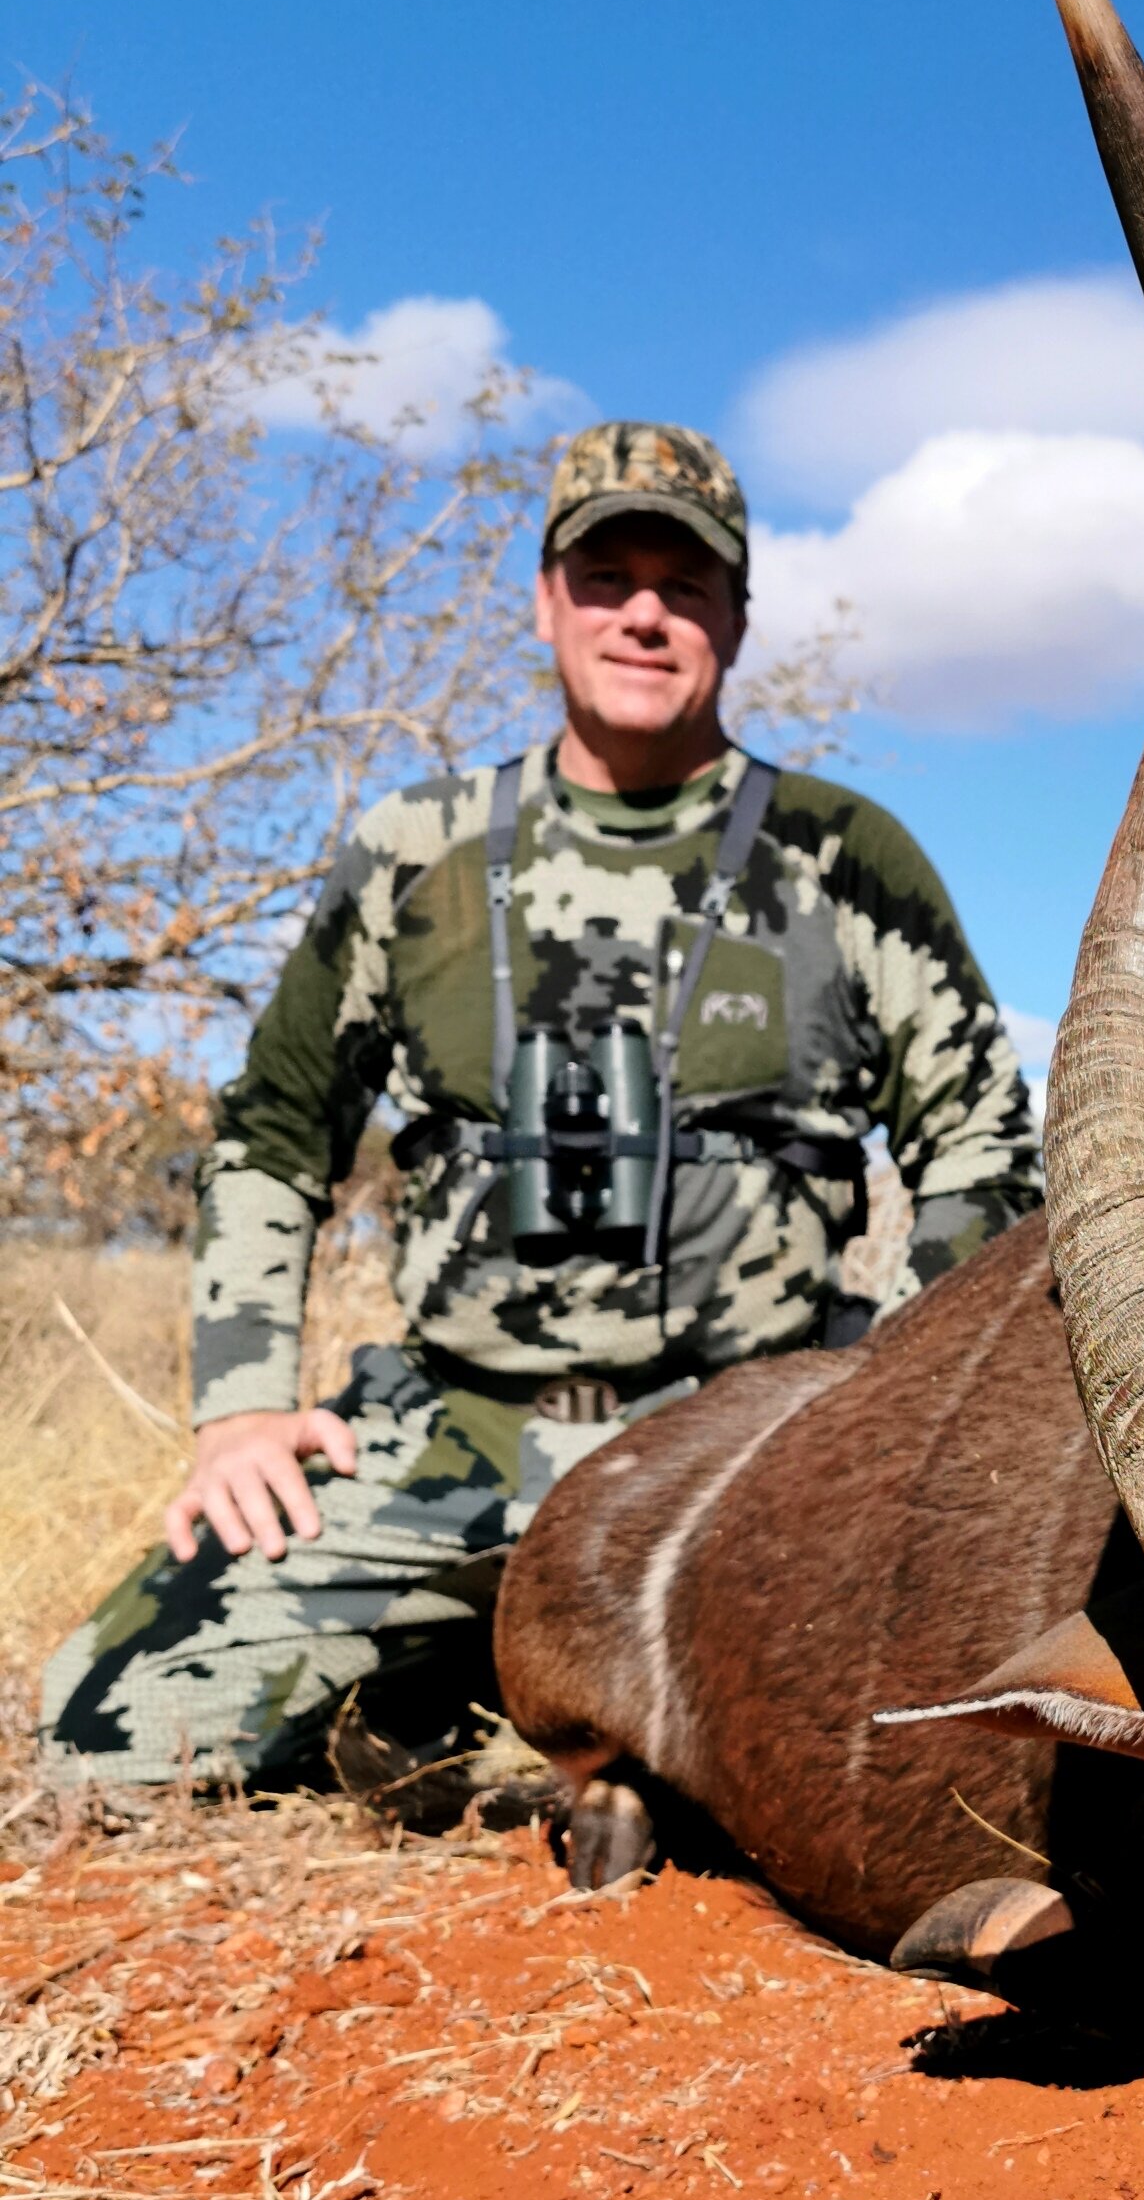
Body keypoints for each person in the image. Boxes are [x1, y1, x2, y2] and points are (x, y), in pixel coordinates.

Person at [42, 419, 1039, 1799]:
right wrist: (241, 1411)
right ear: (545, 601)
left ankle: (617, 1730)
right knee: (106, 1748)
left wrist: (906, 1417)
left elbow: (984, 1152)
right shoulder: (415, 852)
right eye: (606, 575)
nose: (645, 614)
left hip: (748, 1438)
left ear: (737, 618)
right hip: (455, 1427)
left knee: (924, 1768)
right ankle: (484, 1708)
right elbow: (274, 1133)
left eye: (686, 585)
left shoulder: (844, 853)